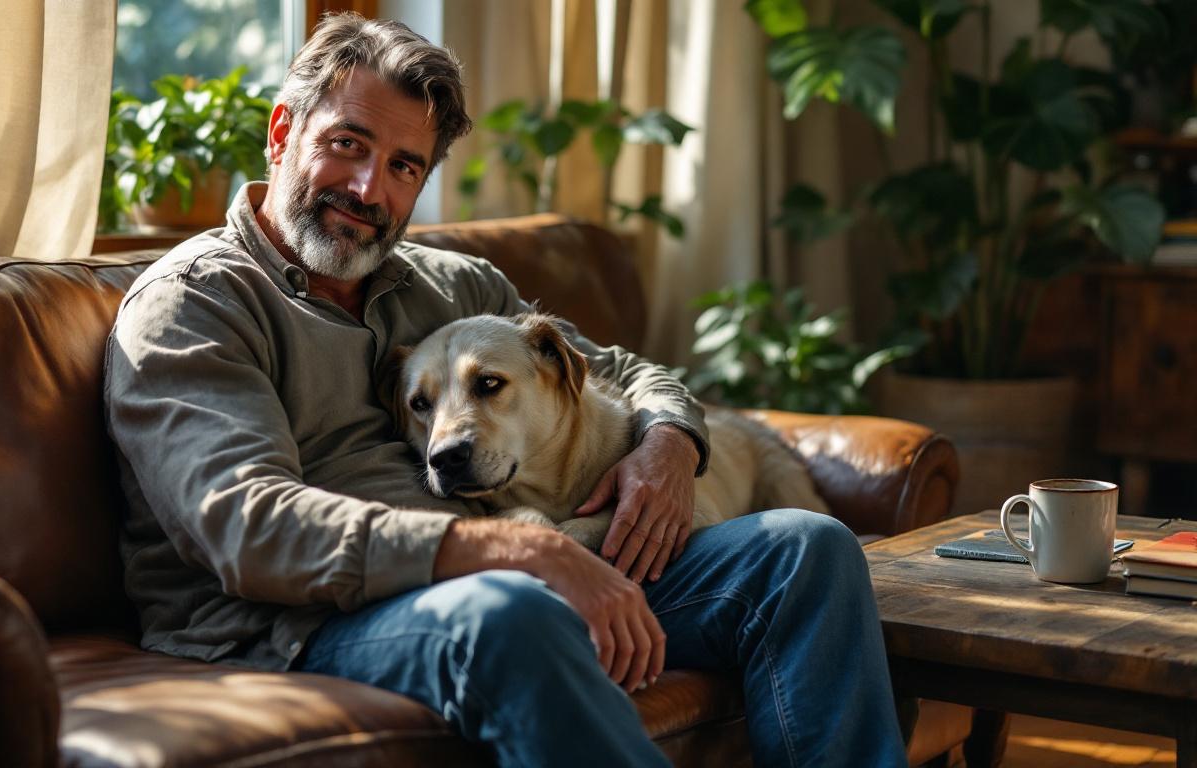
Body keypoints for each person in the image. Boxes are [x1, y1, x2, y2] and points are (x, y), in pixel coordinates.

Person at [104, 13, 907, 768]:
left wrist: (667, 442)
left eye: (402, 166)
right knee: (509, 613)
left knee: (804, 548)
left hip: (503, 573)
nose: (367, 188)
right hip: (301, 623)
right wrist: (518, 549)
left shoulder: (455, 288)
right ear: (282, 134)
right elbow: (246, 527)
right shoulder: (195, 304)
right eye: (347, 144)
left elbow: (623, 373)